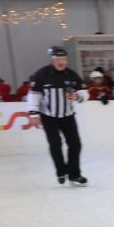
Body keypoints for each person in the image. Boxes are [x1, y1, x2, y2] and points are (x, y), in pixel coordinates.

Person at [26, 45, 87, 186]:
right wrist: (33, 114)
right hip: (49, 117)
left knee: (75, 145)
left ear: (67, 60)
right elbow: (34, 95)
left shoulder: (72, 75)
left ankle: (74, 175)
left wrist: (77, 96)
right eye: (58, 59)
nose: (61, 62)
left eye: (63, 59)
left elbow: (84, 93)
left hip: (68, 116)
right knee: (55, 145)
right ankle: (61, 172)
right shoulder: (41, 74)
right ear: (52, 60)